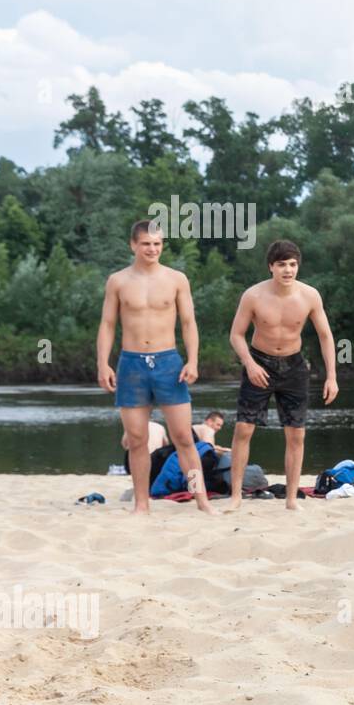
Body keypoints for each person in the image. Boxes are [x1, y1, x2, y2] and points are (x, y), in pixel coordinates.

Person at [97, 219, 214, 515]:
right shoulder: (118, 281)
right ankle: (141, 505)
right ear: (133, 245)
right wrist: (103, 363)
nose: (152, 249)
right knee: (137, 440)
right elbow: (108, 324)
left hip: (168, 363)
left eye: (157, 244)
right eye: (146, 243)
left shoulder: (176, 279)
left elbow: (188, 322)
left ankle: (201, 500)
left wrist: (193, 360)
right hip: (131, 365)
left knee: (185, 438)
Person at [226, 240, 338, 511]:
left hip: (294, 367)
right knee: (243, 428)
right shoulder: (253, 296)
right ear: (271, 267)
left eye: (292, 264)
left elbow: (325, 335)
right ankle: (236, 495)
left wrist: (331, 376)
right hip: (259, 363)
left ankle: (290, 499)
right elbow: (236, 335)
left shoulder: (310, 295)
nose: (288, 270)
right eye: (282, 265)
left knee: (296, 434)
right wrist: (250, 364)